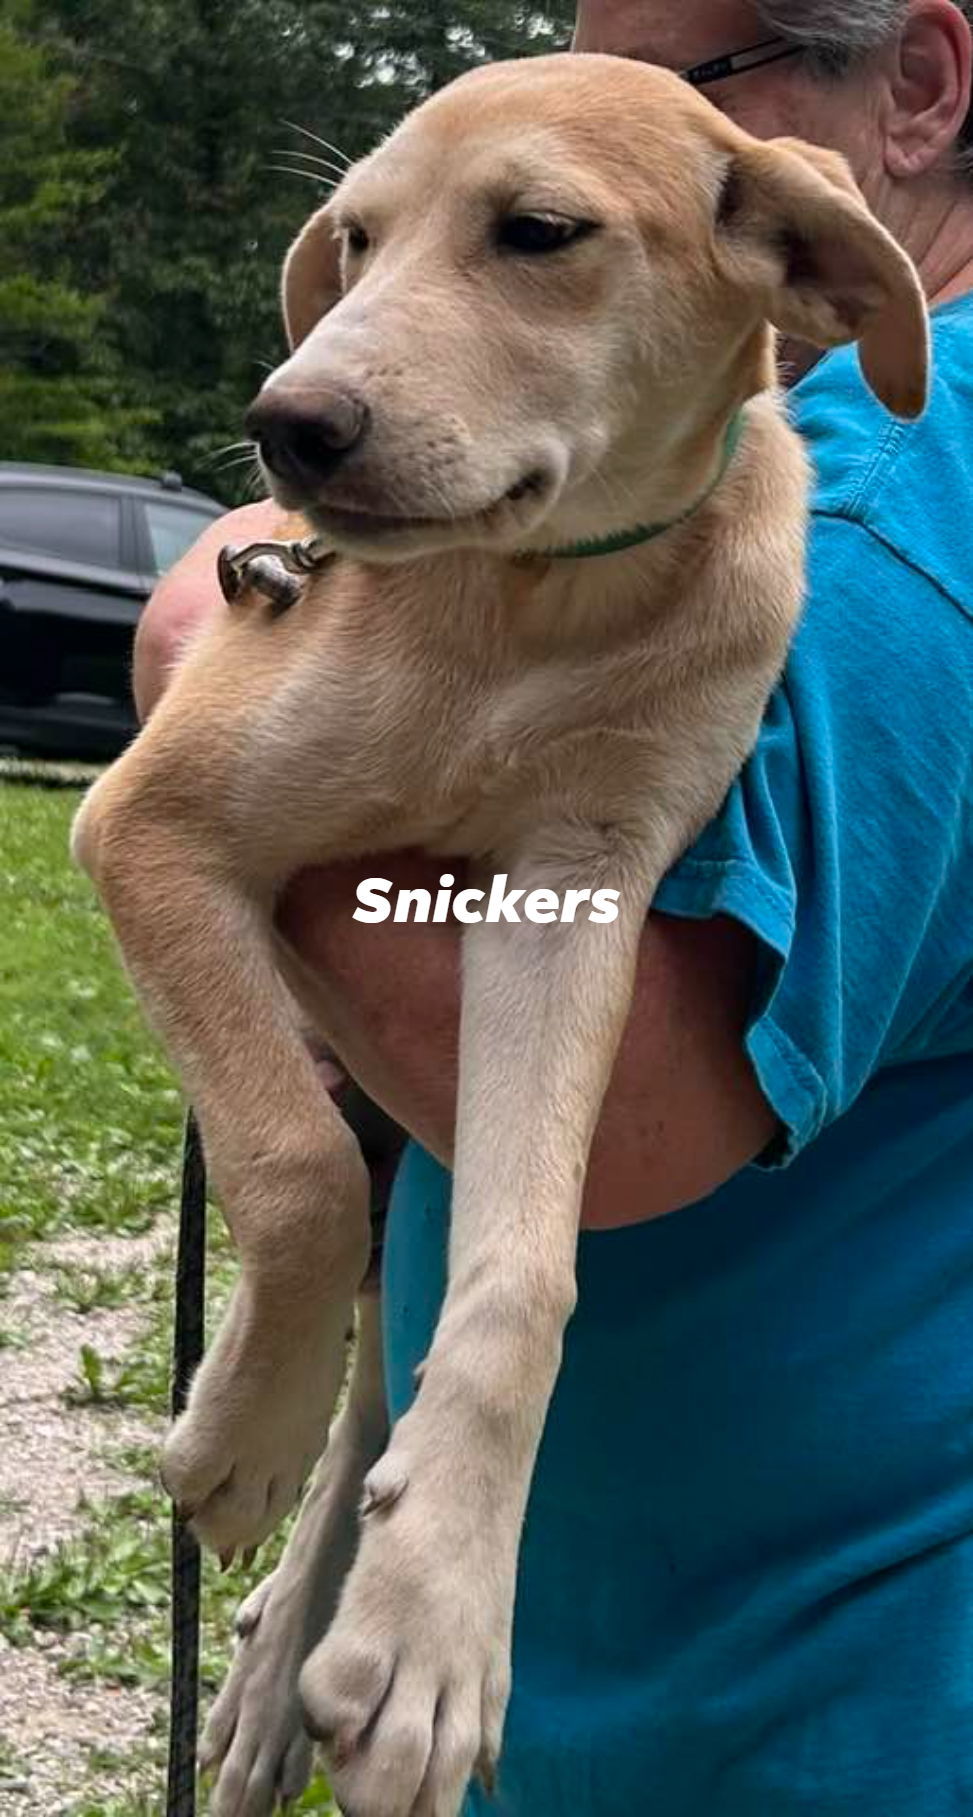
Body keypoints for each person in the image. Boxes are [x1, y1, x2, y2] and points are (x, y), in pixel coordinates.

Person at [136, 2, 973, 1809]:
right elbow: (490, 899)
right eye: (361, 242)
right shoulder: (589, 493)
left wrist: (195, 621)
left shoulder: (885, 514)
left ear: (908, 97)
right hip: (594, 1652)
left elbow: (597, 1071)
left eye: (536, 230)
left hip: (785, 1695)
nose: (315, 374)